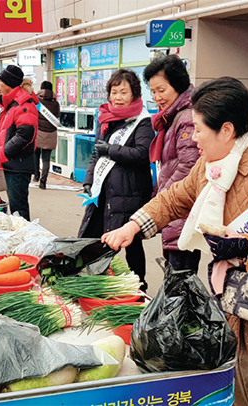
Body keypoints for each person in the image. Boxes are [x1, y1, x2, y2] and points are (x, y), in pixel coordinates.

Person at [103, 77, 248, 405]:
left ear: (227, 130)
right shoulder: (213, 165)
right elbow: (175, 197)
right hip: (241, 306)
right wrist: (132, 227)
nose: (195, 137)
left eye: (199, 129)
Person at [79, 69, 153, 290]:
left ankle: (138, 285)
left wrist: (111, 149)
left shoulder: (142, 121)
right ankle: (99, 282)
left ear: (134, 94)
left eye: (124, 92)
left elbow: (143, 154)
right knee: (97, 237)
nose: (118, 97)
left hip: (131, 192)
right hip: (104, 192)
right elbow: (96, 153)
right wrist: (88, 180)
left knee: (131, 242)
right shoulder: (106, 118)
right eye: (114, 92)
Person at [143, 54, 201, 272]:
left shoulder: (186, 118)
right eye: (153, 91)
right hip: (174, 212)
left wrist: (162, 202)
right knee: (176, 280)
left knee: (180, 281)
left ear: (177, 85)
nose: (157, 97)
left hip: (181, 212)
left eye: (162, 90)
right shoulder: (171, 116)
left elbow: (187, 169)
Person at [0, 65, 39, 221]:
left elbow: (25, 134)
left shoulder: (23, 104)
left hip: (18, 164)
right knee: (16, 207)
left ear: (9, 83)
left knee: (19, 209)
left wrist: (5, 151)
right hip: (13, 163)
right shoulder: (11, 103)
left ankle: (26, 240)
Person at [35, 81, 60, 190]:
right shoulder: (56, 103)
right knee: (46, 159)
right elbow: (58, 116)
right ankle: (43, 182)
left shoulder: (36, 101)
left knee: (35, 155)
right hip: (50, 133)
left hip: (38, 132)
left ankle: (36, 175)